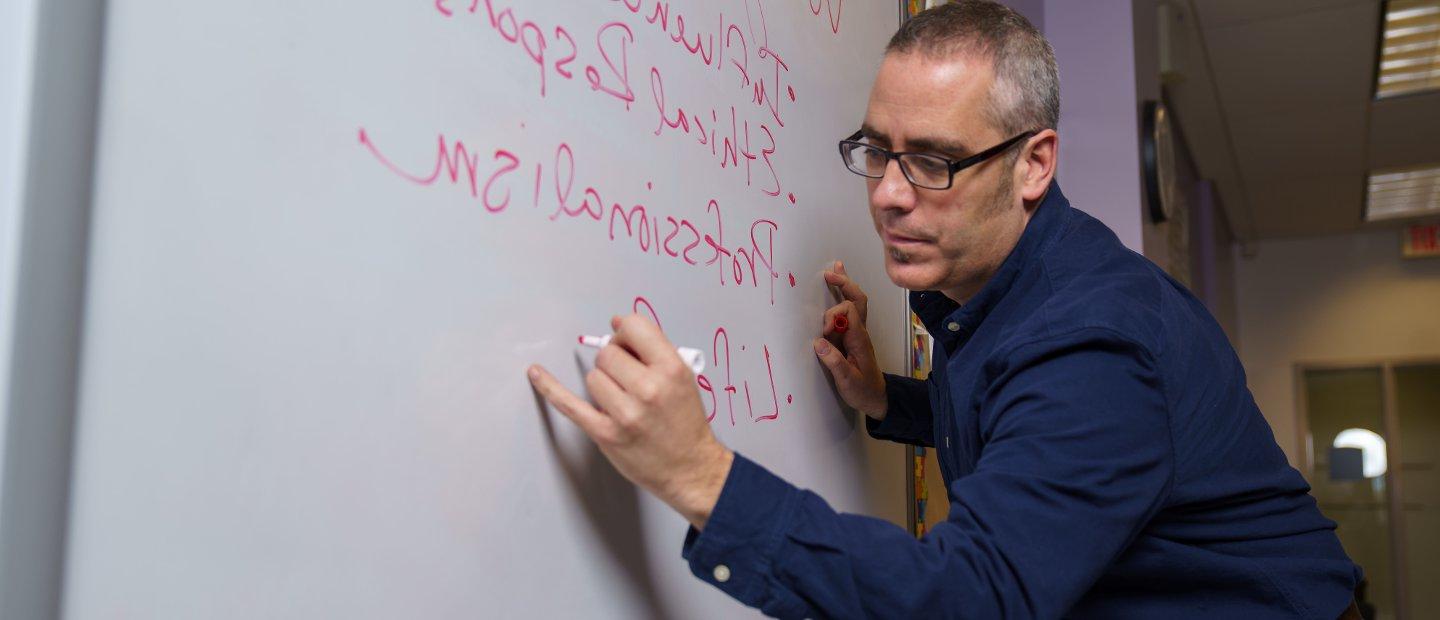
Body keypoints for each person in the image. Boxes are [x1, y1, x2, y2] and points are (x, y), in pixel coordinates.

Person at [527, 2, 1361, 617]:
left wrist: (700, 476)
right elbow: (1022, 414)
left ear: (1033, 164)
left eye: (932, 161)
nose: (889, 195)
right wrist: (891, 400)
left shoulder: (1097, 341)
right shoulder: (1008, 286)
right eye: (876, 152)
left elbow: (978, 597)